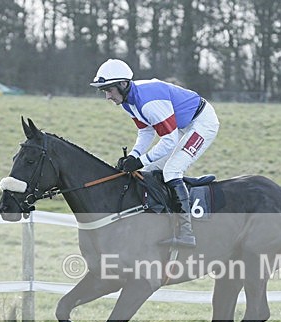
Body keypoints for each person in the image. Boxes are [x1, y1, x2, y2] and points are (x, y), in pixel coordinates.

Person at [90, 58, 220, 247]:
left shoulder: (148, 102)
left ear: (123, 84)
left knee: (172, 171)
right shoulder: (128, 102)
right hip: (183, 126)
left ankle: (186, 233)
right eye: (104, 91)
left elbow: (169, 140)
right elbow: (146, 131)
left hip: (202, 123)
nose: (107, 96)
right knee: (147, 172)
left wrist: (140, 160)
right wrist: (134, 156)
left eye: (109, 90)